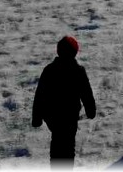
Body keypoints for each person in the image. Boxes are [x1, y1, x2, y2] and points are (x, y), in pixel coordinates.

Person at [32, 36, 96, 164]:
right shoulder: (78, 71)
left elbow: (40, 95)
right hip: (70, 116)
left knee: (57, 143)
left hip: (52, 116)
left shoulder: (49, 70)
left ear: (58, 51)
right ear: (75, 52)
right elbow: (86, 93)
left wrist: (37, 118)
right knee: (68, 145)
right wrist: (90, 111)